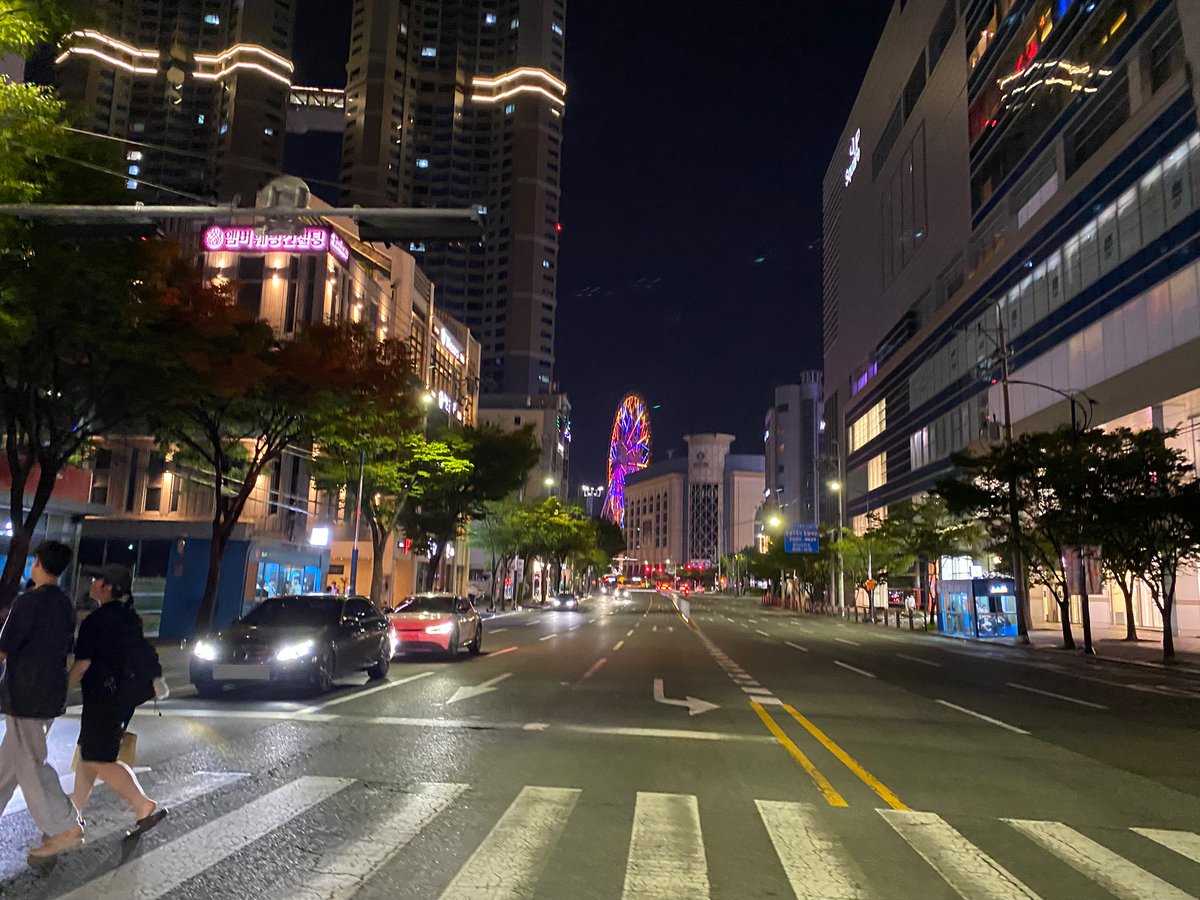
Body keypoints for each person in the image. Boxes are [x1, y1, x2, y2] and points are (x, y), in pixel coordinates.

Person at [0, 541, 85, 862]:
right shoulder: (64, 603)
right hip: (49, 693)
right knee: (9, 763)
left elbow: (5, 647)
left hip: (25, 695)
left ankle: (65, 826)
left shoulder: (29, 602)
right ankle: (63, 824)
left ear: (36, 562)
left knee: (30, 763)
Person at [68, 563, 167, 838]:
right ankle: (72, 816)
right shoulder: (129, 617)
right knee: (90, 756)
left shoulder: (96, 621)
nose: (92, 582)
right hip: (122, 697)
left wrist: (62, 692)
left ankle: (142, 804)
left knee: (98, 758)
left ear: (107, 587)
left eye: (97, 579)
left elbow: (83, 664)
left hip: (102, 698)